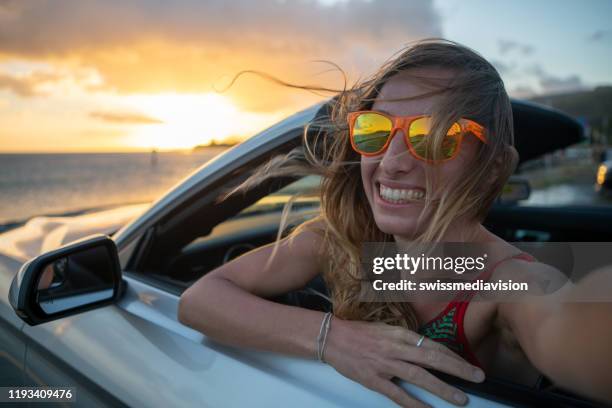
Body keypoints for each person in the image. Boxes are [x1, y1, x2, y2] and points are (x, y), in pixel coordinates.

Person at [178, 39, 612, 407]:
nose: (392, 161)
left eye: (434, 136)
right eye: (374, 130)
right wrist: (334, 339)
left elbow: (573, 325)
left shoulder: (507, 283)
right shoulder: (349, 242)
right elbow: (198, 300)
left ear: (492, 164)